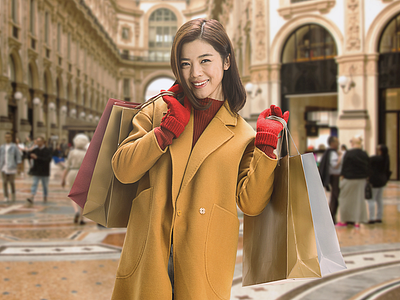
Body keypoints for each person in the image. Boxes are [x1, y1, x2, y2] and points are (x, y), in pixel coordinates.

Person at [110, 18, 289, 300]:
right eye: (185, 63)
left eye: (205, 60)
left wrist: (265, 147)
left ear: (226, 61)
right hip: (150, 255)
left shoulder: (242, 133)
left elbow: (251, 204)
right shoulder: (161, 109)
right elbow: (123, 169)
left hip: (202, 261)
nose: (195, 73)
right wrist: (164, 132)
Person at [336, 135, 370, 228]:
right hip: (361, 179)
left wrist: (342, 177)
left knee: (344, 199)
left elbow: (345, 166)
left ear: (352, 143)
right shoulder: (364, 154)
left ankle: (344, 220)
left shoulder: (349, 153)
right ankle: (357, 222)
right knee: (359, 200)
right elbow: (368, 166)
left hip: (349, 178)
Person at [61, 134, 89, 224]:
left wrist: (63, 179)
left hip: (72, 172)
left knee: (73, 194)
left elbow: (67, 166)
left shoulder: (72, 152)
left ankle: (76, 211)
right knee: (83, 196)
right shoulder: (87, 153)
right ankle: (81, 218)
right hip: (83, 174)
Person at [318, 136, 343, 224]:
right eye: (336, 142)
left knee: (334, 196)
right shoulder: (333, 153)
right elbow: (335, 165)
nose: (338, 144)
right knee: (336, 196)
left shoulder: (330, 152)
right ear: (332, 143)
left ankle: (332, 216)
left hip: (334, 176)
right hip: (335, 176)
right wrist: (340, 157)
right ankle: (332, 216)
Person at [367, 144, 390, 224]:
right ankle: (379, 217)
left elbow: (368, 160)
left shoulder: (376, 158)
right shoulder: (386, 158)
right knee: (379, 199)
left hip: (375, 181)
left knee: (371, 199)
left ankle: (371, 218)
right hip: (382, 180)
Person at [26, 136, 52, 204]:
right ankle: (32, 196)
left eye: (39, 141)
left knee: (45, 185)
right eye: (37, 141)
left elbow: (48, 160)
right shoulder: (35, 149)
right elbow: (28, 155)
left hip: (44, 171)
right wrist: (31, 150)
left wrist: (37, 157)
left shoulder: (47, 150)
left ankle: (45, 196)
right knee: (34, 184)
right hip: (36, 170)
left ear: (43, 142)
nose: (37, 142)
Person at [0, 132, 22, 202]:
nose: (7, 139)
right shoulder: (2, 147)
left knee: (12, 182)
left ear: (11, 138)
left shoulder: (14, 147)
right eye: (6, 137)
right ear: (4, 138)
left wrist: (19, 167)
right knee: (4, 182)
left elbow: (18, 157)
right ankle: (6, 196)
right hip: (3, 166)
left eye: (9, 137)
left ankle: (13, 195)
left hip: (12, 166)